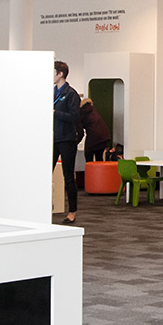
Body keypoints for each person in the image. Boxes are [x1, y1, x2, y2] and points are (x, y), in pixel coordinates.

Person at [52, 61, 81, 224]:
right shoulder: (51, 92)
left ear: (60, 74)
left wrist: (56, 113)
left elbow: (74, 117)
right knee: (45, 173)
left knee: (68, 176)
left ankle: (72, 211)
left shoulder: (71, 94)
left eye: (53, 72)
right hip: (53, 138)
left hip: (67, 139)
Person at [79, 96, 113, 162]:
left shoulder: (81, 113)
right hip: (104, 137)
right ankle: (100, 169)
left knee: (88, 157)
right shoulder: (93, 111)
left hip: (93, 137)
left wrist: (76, 143)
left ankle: (90, 169)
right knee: (99, 158)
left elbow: (80, 132)